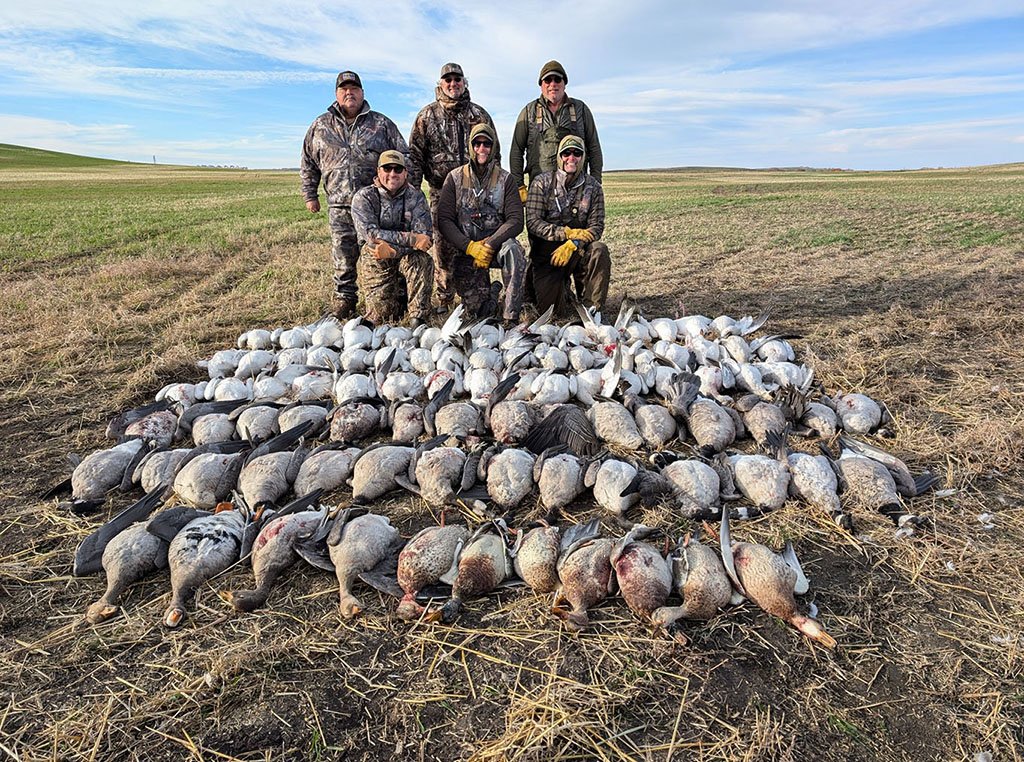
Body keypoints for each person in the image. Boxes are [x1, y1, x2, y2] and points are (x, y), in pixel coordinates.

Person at [300, 70, 409, 320]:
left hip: (376, 205)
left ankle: (397, 297)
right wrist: (310, 194)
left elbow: (404, 157)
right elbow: (308, 162)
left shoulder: (381, 124)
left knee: (382, 252)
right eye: (344, 89)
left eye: (354, 88)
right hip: (339, 205)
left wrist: (402, 189)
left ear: (362, 93)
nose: (349, 92)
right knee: (343, 255)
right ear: (337, 94)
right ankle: (345, 299)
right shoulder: (320, 125)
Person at [408, 63, 495, 312]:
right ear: (440, 84)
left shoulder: (479, 115)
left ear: (464, 83)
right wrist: (412, 196)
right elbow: (414, 156)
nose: (453, 83)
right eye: (448, 80)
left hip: (476, 194)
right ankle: (444, 298)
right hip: (441, 192)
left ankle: (478, 292)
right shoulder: (427, 116)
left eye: (457, 79)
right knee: (443, 245)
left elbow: (493, 153)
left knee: (475, 242)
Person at [436, 123, 527, 323]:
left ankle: (510, 317)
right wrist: (469, 247)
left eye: (487, 144)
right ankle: (494, 292)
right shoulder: (455, 178)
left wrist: (489, 244)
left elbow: (516, 220)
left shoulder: (506, 179)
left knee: (514, 250)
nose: (482, 149)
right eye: (477, 143)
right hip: (467, 250)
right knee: (479, 312)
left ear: (493, 147)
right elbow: (444, 220)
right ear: (471, 146)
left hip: (496, 247)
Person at [525, 135, 610, 317]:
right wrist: (565, 233)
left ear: (583, 157)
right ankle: (553, 289)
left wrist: (575, 244)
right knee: (553, 314)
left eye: (577, 153)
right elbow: (533, 222)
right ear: (559, 156)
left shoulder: (593, 187)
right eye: (566, 153)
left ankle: (591, 310)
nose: (571, 158)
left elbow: (596, 227)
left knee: (599, 250)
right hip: (548, 252)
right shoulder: (541, 182)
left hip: (578, 250)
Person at [350, 150, 434, 326]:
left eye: (398, 169)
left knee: (422, 259)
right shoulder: (364, 197)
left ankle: (417, 317)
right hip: (378, 256)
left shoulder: (416, 196)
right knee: (383, 315)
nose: (392, 174)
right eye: (387, 169)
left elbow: (425, 240)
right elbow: (371, 234)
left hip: (401, 255)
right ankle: (393, 301)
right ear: (378, 171)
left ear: (405, 173)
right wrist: (412, 239)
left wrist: (394, 250)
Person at [510, 60, 603, 203]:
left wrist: (595, 184)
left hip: (576, 193)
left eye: (557, 79)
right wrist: (519, 186)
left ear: (564, 83)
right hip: (541, 193)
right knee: (540, 226)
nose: (552, 84)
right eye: (547, 80)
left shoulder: (581, 110)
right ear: (541, 85)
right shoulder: (529, 112)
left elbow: (594, 148)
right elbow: (516, 150)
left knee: (578, 226)